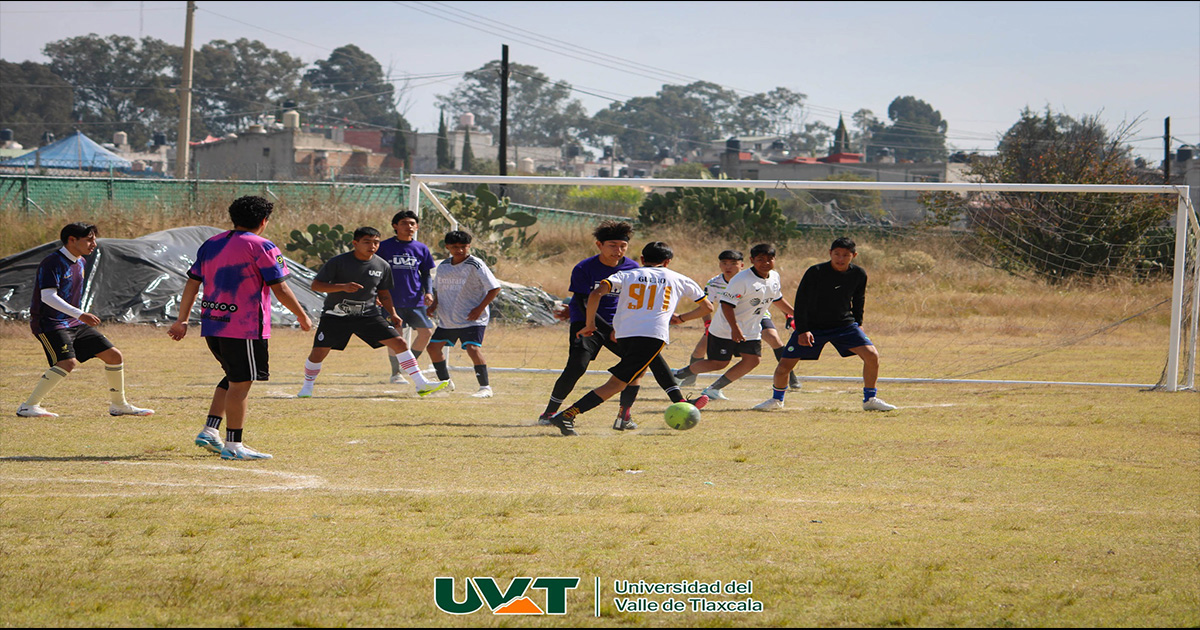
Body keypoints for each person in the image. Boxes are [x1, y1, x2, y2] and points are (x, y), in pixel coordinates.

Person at [168, 196, 314, 461]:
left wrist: (183, 319)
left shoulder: (211, 244)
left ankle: (210, 431)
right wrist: (303, 316)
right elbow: (280, 287)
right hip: (243, 328)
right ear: (263, 221)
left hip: (213, 324)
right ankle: (234, 445)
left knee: (233, 377)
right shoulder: (263, 246)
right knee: (241, 383)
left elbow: (192, 282)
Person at [538, 220, 700, 430]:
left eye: (622, 246)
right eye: (612, 245)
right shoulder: (584, 268)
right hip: (588, 323)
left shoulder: (633, 268)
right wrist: (604, 328)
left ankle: (627, 415)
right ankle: (550, 412)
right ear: (599, 245)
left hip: (620, 326)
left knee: (646, 362)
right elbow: (583, 301)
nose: (618, 250)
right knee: (577, 365)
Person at [16, 222, 154, 418]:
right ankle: (28, 406)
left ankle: (119, 405)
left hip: (73, 322)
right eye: (89, 240)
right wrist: (80, 314)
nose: (94, 244)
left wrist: (78, 316)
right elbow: (47, 296)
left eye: (94, 240)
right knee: (67, 362)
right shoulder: (52, 262)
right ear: (72, 240)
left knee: (114, 356)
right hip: (50, 323)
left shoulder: (80, 261)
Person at [297, 227, 449, 399]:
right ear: (355, 243)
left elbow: (384, 293)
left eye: (376, 242)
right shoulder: (338, 262)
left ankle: (421, 384)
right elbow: (316, 285)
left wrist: (393, 314)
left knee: (399, 342)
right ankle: (307, 387)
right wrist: (342, 287)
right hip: (336, 315)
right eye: (367, 242)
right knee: (319, 352)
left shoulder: (382, 265)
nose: (372, 246)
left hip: (367, 315)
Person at [753, 236, 897, 412]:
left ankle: (870, 399)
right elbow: (801, 302)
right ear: (830, 253)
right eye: (836, 254)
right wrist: (803, 330)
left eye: (845, 255)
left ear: (854, 255)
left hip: (845, 325)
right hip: (813, 327)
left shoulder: (859, 274)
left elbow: (859, 300)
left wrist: (858, 323)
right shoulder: (816, 272)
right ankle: (776, 400)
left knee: (871, 355)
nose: (840, 258)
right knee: (784, 367)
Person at [673, 243, 794, 401]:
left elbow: (777, 299)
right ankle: (679, 375)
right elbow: (726, 306)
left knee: (752, 360)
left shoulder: (774, 276)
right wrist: (734, 329)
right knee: (718, 363)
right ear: (752, 260)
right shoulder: (741, 280)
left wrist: (795, 314)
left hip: (751, 329)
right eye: (760, 259)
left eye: (769, 259)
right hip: (725, 329)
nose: (765, 263)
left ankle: (714, 389)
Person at [426, 230, 502, 398]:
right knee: (432, 348)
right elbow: (439, 288)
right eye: (454, 247)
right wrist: (434, 305)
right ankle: (446, 382)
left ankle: (485, 387)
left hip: (471, 318)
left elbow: (494, 288)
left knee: (472, 349)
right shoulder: (444, 266)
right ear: (447, 247)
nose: (459, 250)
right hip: (448, 319)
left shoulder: (476, 264)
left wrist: (479, 308)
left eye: (463, 247)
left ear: (469, 246)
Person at [376, 210, 436, 385]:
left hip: (415, 300)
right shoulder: (384, 247)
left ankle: (408, 365)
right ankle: (396, 374)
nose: (409, 227)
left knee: (426, 333)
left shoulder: (421, 248)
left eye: (412, 223)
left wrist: (429, 292)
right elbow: (376, 272)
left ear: (416, 226)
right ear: (395, 226)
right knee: (397, 338)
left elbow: (425, 274)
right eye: (404, 223)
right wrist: (375, 294)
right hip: (391, 301)